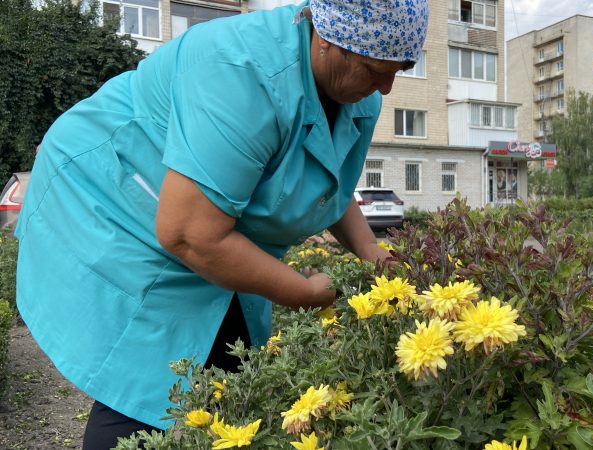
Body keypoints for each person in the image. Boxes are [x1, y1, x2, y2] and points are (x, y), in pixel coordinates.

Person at [14, 0, 428, 448]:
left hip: (202, 218)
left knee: (232, 364)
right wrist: (305, 292)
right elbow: (190, 233)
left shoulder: (359, 95)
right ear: (327, 39)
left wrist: (378, 259)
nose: (385, 88)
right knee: (148, 371)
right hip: (115, 194)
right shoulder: (240, 73)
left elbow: (327, 176)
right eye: (373, 69)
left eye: (400, 69)